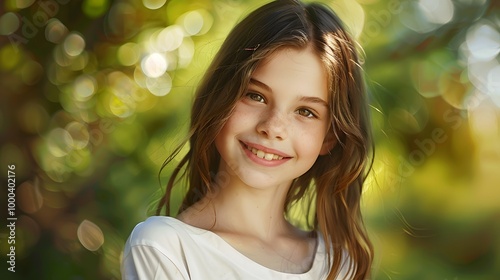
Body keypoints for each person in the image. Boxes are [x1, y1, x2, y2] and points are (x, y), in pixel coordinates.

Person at [121, 0, 374, 279]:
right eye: (256, 95)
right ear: (219, 98)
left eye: (306, 111)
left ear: (330, 137)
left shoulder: (339, 267)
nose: (273, 127)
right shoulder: (165, 249)